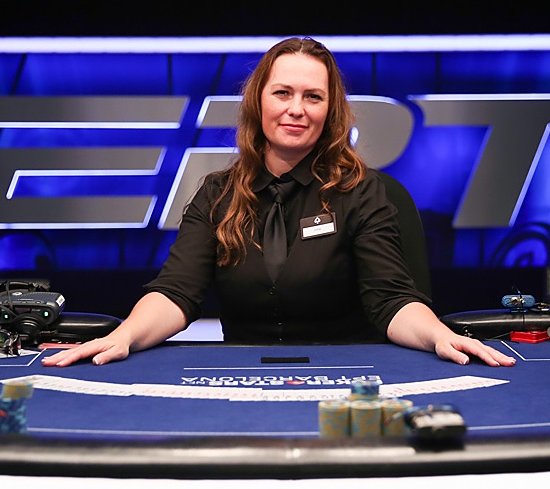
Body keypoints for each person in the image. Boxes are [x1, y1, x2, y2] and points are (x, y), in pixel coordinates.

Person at [43, 37, 514, 369]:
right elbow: (177, 292)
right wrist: (124, 335)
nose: (296, 109)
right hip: (240, 378)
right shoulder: (217, 194)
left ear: (330, 111)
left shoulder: (362, 191)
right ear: (258, 102)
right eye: (283, 93)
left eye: (313, 97)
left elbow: (391, 301)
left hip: (349, 376)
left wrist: (439, 335)